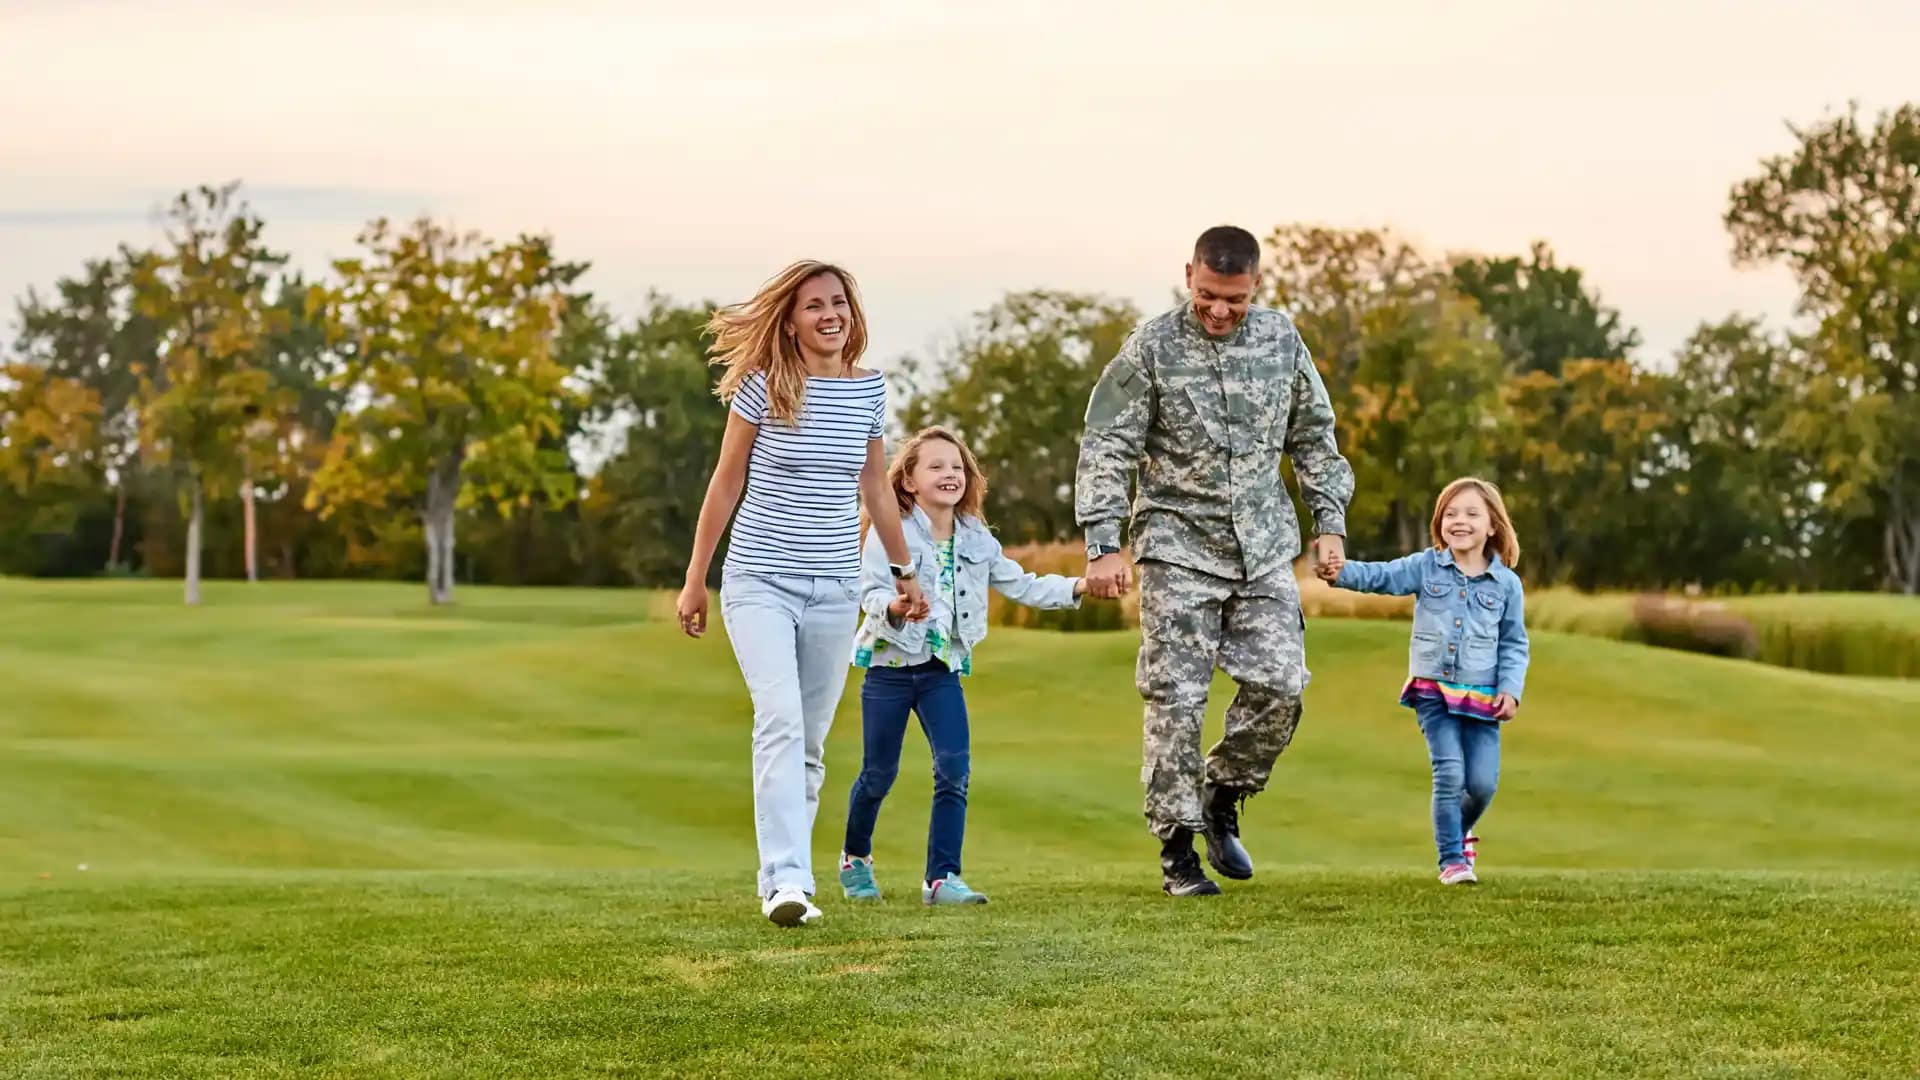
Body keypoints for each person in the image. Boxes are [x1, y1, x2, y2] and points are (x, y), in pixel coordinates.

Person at [1075, 225, 1355, 897]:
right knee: (1176, 699)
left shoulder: (1282, 340)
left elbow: (1315, 437)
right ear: (1188, 276)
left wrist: (1330, 525)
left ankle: (1222, 791)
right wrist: (1102, 541)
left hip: (1261, 545)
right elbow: (1107, 443)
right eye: (1206, 295)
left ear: (1255, 285)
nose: (1220, 310)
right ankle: (1177, 851)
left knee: (1283, 686)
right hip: (1176, 543)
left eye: (1233, 298)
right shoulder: (1151, 348)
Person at [676, 260, 927, 928]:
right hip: (760, 579)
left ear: (853, 311)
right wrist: (696, 577)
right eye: (814, 305)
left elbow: (875, 488)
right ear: (790, 319)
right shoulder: (764, 389)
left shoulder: (870, 390)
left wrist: (904, 575)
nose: (829, 315)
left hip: (836, 586)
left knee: (811, 742)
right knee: (780, 720)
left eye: (838, 302)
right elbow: (725, 485)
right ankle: (788, 882)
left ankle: (785, 877)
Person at [838, 427, 1088, 907]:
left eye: (957, 467)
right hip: (890, 668)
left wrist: (1077, 588)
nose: (950, 474)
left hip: (940, 669)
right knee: (878, 774)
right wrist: (895, 607)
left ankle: (941, 878)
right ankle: (855, 858)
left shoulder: (975, 536)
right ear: (909, 480)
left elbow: (1024, 585)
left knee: (954, 768)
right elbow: (866, 594)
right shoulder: (891, 532)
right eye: (936, 466)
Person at [1324, 477, 1530, 885]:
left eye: (1471, 514)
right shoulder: (1426, 567)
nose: (1459, 521)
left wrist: (1511, 690)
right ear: (1439, 523)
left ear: (1492, 525)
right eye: (1450, 514)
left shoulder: (1507, 584)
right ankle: (1452, 860)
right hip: (1433, 691)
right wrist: (1339, 572)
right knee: (1450, 773)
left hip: (1483, 697)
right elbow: (1380, 576)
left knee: (1482, 784)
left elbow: (1514, 642)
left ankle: (1459, 830)